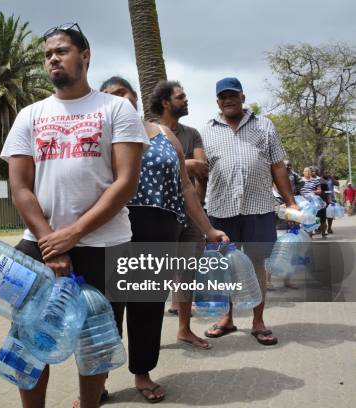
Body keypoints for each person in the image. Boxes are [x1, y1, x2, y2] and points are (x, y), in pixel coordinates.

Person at [0, 25, 149, 408]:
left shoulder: (117, 110)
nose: (53, 58)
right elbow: (20, 188)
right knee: (30, 340)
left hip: (106, 245)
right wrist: (52, 242)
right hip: (39, 245)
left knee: (96, 342)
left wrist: (74, 234)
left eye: (62, 51)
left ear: (85, 56)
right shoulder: (30, 115)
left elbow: (125, 183)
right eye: (48, 53)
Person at [100, 76, 228, 402]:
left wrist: (209, 228)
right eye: (110, 96)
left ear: (135, 99)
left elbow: (185, 187)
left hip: (157, 227)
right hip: (110, 227)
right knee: (104, 311)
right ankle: (95, 382)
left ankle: (142, 374)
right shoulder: (97, 135)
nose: (118, 101)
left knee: (147, 307)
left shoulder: (163, 134)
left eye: (123, 94)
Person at [201, 77, 298, 346]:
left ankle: (258, 321)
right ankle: (227, 318)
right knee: (225, 267)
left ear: (243, 97)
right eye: (222, 96)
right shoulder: (207, 131)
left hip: (259, 208)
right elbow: (200, 173)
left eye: (233, 95)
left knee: (257, 264)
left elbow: (278, 166)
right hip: (221, 209)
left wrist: (290, 201)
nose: (228, 100)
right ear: (217, 101)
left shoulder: (264, 126)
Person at [148, 79, 212, 349]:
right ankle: (147, 338)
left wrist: (197, 205)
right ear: (165, 102)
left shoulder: (192, 133)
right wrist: (187, 163)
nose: (186, 100)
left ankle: (184, 330)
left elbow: (203, 168)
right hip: (159, 214)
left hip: (191, 213)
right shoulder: (147, 131)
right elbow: (146, 167)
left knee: (187, 273)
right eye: (180, 96)